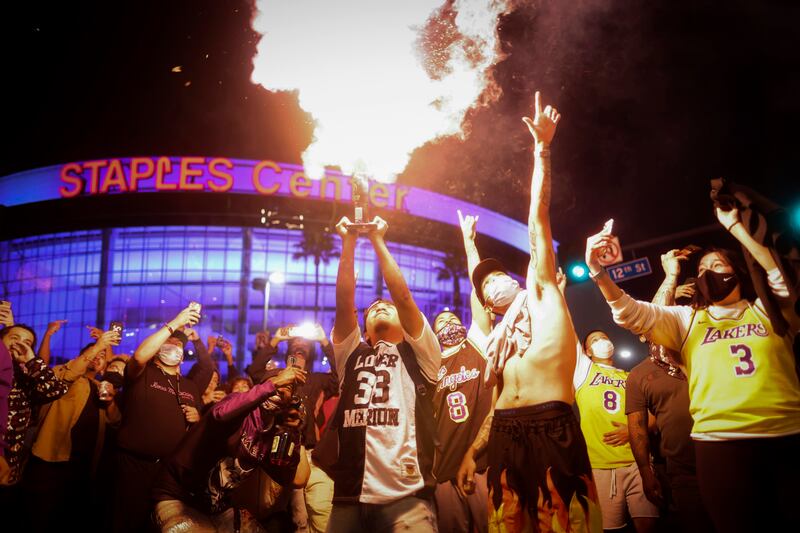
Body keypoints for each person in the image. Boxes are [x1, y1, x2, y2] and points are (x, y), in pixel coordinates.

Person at [585, 204, 800, 533]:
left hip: (786, 436)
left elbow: (782, 280)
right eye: (702, 269)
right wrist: (598, 272)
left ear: (738, 271)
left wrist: (737, 229)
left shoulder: (768, 310)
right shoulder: (688, 320)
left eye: (718, 265)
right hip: (720, 444)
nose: (709, 272)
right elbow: (633, 313)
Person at [458, 91, 601, 532]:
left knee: (567, 525)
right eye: (486, 286)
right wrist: (473, 451)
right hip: (505, 432)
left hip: (551, 427)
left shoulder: (541, 297)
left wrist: (542, 149)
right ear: (486, 303)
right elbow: (495, 404)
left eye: (498, 276)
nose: (493, 283)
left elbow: (538, 220)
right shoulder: (499, 344)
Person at [327, 214, 441, 531]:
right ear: (364, 330)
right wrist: (348, 242)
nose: (379, 305)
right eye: (373, 308)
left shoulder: (420, 354)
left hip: (406, 496)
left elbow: (402, 296)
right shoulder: (352, 355)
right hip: (349, 495)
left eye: (387, 306)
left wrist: (377, 239)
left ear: (405, 322)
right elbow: (344, 302)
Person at [152, 364, 309, 532]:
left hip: (216, 509)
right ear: (262, 387)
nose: (281, 388)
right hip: (178, 497)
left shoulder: (271, 434)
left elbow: (290, 478)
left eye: (288, 388)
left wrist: (293, 432)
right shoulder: (238, 404)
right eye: (278, 382)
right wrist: (274, 384)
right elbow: (220, 416)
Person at [625, 250, 714, 532]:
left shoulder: (699, 350)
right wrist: (645, 471)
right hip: (683, 471)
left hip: (725, 453)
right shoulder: (640, 374)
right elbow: (638, 427)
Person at [111, 304, 203, 533]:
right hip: (133, 466)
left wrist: (196, 418)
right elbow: (139, 356)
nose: (174, 347)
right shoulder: (142, 373)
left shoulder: (190, 386)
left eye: (179, 345)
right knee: (126, 523)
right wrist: (176, 322)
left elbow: (197, 429)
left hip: (169, 472)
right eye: (168, 343)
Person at [22, 330, 122, 533]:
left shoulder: (100, 386)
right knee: (38, 516)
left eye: (102, 357)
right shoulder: (60, 372)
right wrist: (98, 345)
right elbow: (70, 374)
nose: (98, 358)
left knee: (69, 519)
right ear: (82, 356)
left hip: (83, 465)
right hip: (50, 459)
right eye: (94, 354)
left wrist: (111, 402)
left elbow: (115, 421)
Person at [431, 210, 493, 533]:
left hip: (482, 461)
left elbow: (478, 291)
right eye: (441, 322)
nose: (448, 323)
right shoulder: (432, 365)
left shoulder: (476, 343)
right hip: (444, 467)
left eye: (452, 318)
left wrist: (469, 244)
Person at [573, 330, 658, 532]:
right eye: (595, 340)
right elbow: (569, 336)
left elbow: (653, 416)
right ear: (587, 351)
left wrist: (632, 431)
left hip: (638, 463)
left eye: (605, 337)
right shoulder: (584, 371)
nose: (602, 341)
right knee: (609, 528)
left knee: (648, 524)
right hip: (601, 465)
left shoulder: (631, 376)